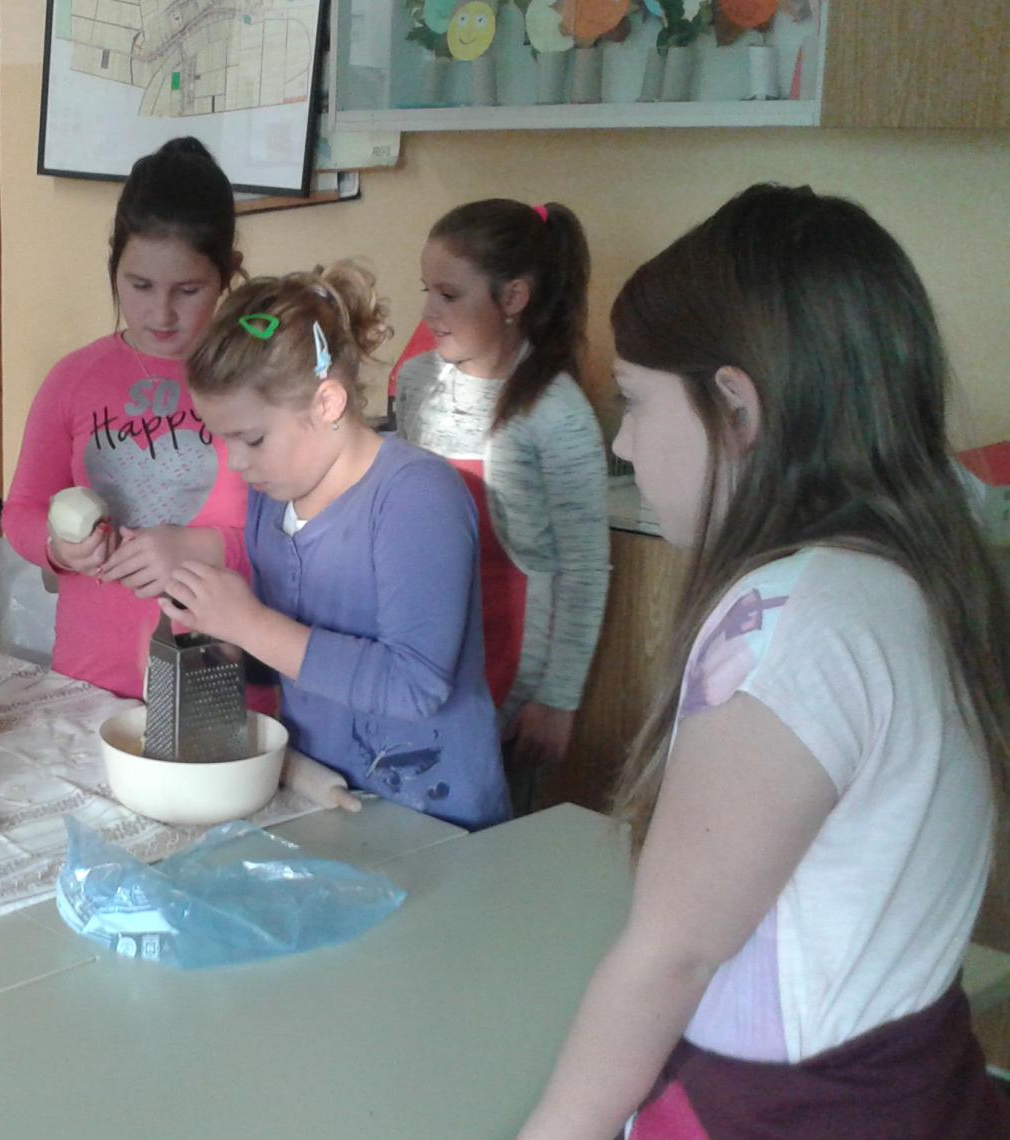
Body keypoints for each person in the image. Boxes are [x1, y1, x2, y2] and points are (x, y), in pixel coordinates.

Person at [519, 185, 1010, 1138]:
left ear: (736, 406)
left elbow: (671, 956)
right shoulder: (918, 568)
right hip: (919, 1085)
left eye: (636, 401)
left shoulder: (792, 620)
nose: (623, 441)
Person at [163, 263, 510, 830]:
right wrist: (222, 642)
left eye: (252, 438)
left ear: (327, 403)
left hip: (435, 815)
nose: (236, 462)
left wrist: (250, 624)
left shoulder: (417, 497)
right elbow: (294, 659)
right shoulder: (271, 499)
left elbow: (414, 685)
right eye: (222, 439)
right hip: (326, 796)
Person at [1, 137, 259, 701]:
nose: (161, 313)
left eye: (188, 290)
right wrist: (57, 547)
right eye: (139, 286)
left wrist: (203, 548)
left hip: (218, 690)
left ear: (227, 275)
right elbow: (20, 510)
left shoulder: (258, 382)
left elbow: (301, 540)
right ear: (113, 267)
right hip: (90, 682)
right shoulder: (75, 379)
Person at [394, 199, 608, 815]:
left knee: (486, 823)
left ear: (512, 298)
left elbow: (583, 569)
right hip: (423, 647)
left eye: (449, 295)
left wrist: (557, 700)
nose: (429, 312)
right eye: (427, 290)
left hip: (509, 669)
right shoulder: (416, 383)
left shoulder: (556, 412)